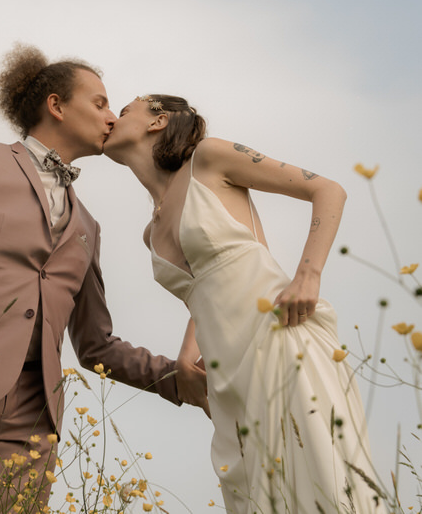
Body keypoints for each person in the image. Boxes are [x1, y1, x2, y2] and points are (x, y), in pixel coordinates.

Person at [0, 46, 208, 514]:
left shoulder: (87, 226)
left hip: (33, 418)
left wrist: (178, 380)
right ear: (56, 105)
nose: (112, 117)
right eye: (100, 103)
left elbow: (96, 345)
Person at [102, 93, 383, 513]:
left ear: (158, 121)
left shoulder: (210, 159)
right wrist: (185, 355)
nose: (109, 120)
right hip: (227, 379)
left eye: (123, 111)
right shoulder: (151, 231)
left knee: (323, 483)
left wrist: (308, 274)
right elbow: (206, 294)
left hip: (281, 340)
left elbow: (328, 190)